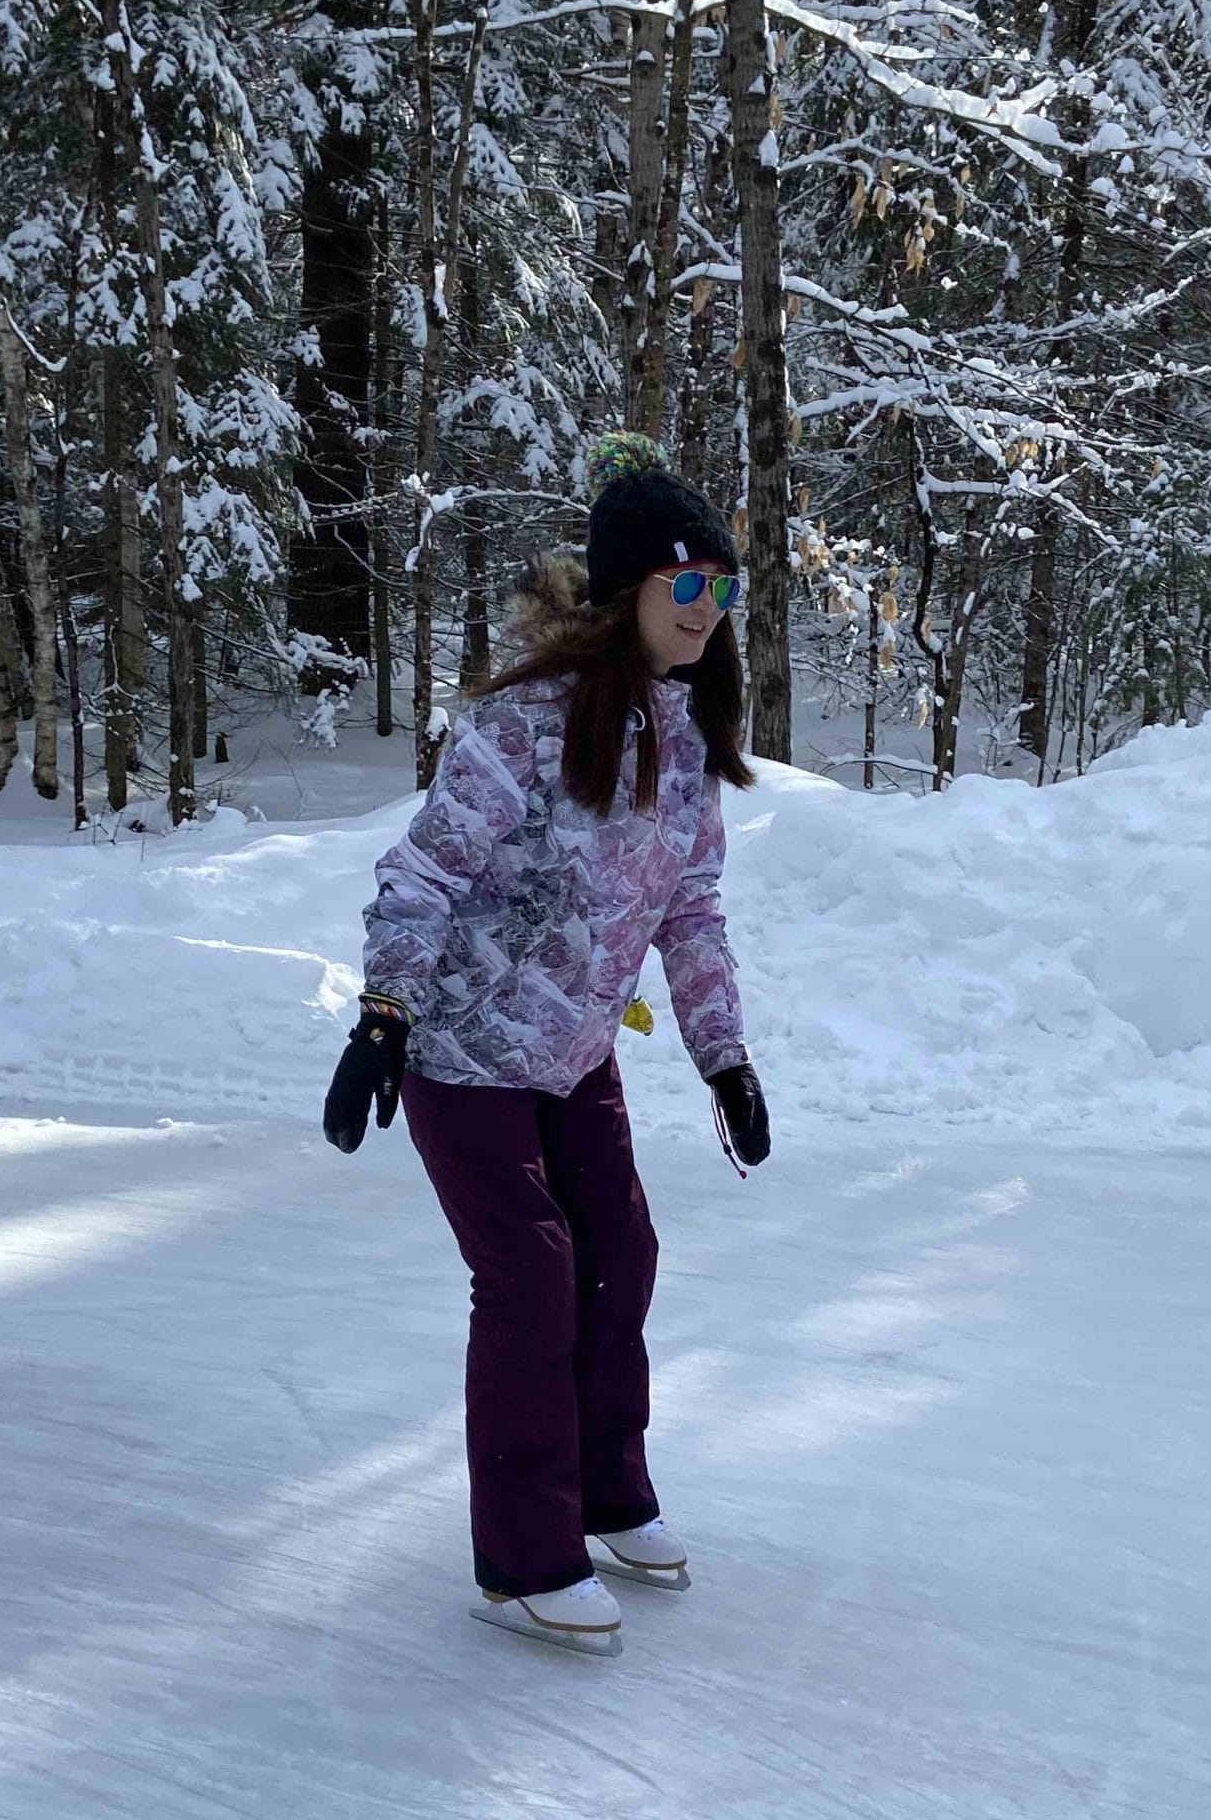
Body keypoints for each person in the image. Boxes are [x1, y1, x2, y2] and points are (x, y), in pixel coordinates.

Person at [322, 432, 773, 1657]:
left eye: (724, 590)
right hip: (463, 1053)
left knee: (618, 1255)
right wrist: (383, 1018)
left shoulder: (685, 746)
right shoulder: (518, 726)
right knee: (526, 1278)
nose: (708, 610)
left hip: (573, 1054)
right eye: (688, 586)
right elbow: (420, 873)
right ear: (629, 589)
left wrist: (724, 1060)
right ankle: (523, 1561)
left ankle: (605, 1492)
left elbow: (690, 915)